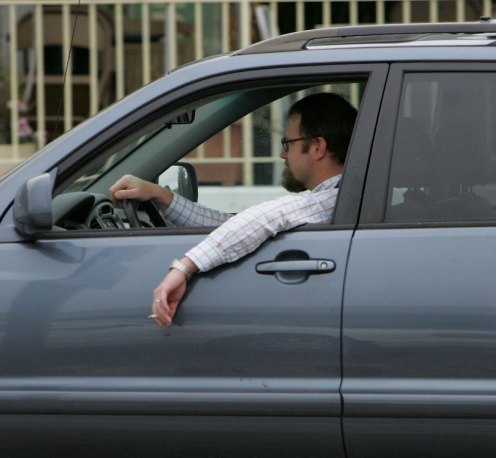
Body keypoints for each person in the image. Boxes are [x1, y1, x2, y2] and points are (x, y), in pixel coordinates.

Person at [109, 92, 357, 327]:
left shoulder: (336, 198)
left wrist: (184, 267)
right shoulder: (346, 198)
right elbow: (234, 227)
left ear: (317, 147)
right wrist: (161, 196)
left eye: (288, 143)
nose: (283, 153)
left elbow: (266, 217)